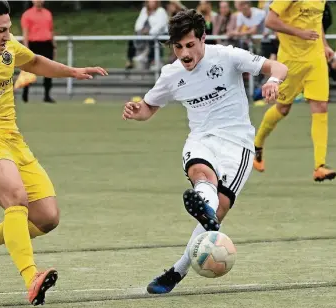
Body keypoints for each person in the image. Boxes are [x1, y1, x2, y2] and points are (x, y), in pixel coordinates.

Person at [0, 1, 107, 305]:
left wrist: (74, 72)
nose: (8, 35)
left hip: (13, 140)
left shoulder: (7, 47)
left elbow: (35, 62)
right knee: (16, 199)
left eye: (9, 29)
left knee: (47, 217)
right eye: (1, 30)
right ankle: (32, 277)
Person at [122, 9, 287, 294]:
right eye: (178, 47)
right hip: (200, 139)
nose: (184, 53)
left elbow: (278, 67)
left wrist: (273, 82)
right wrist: (138, 111)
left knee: (218, 210)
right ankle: (206, 210)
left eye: (190, 45)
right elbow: (149, 107)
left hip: (237, 144)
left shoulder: (226, 56)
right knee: (200, 174)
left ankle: (178, 270)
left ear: (203, 39)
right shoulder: (171, 74)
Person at [252, 0, 336, 182]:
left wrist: (325, 44)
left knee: (321, 106)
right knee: (282, 109)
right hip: (290, 62)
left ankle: (319, 166)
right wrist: (300, 33)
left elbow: (316, 20)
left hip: (315, 60)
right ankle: (257, 144)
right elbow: (270, 21)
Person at [21, 0, 56, 103]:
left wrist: (54, 46)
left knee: (49, 70)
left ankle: (47, 95)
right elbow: (25, 33)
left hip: (46, 44)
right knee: (29, 70)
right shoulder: (27, 15)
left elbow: (51, 30)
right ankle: (25, 94)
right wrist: (26, 48)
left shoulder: (48, 14)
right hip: (34, 45)